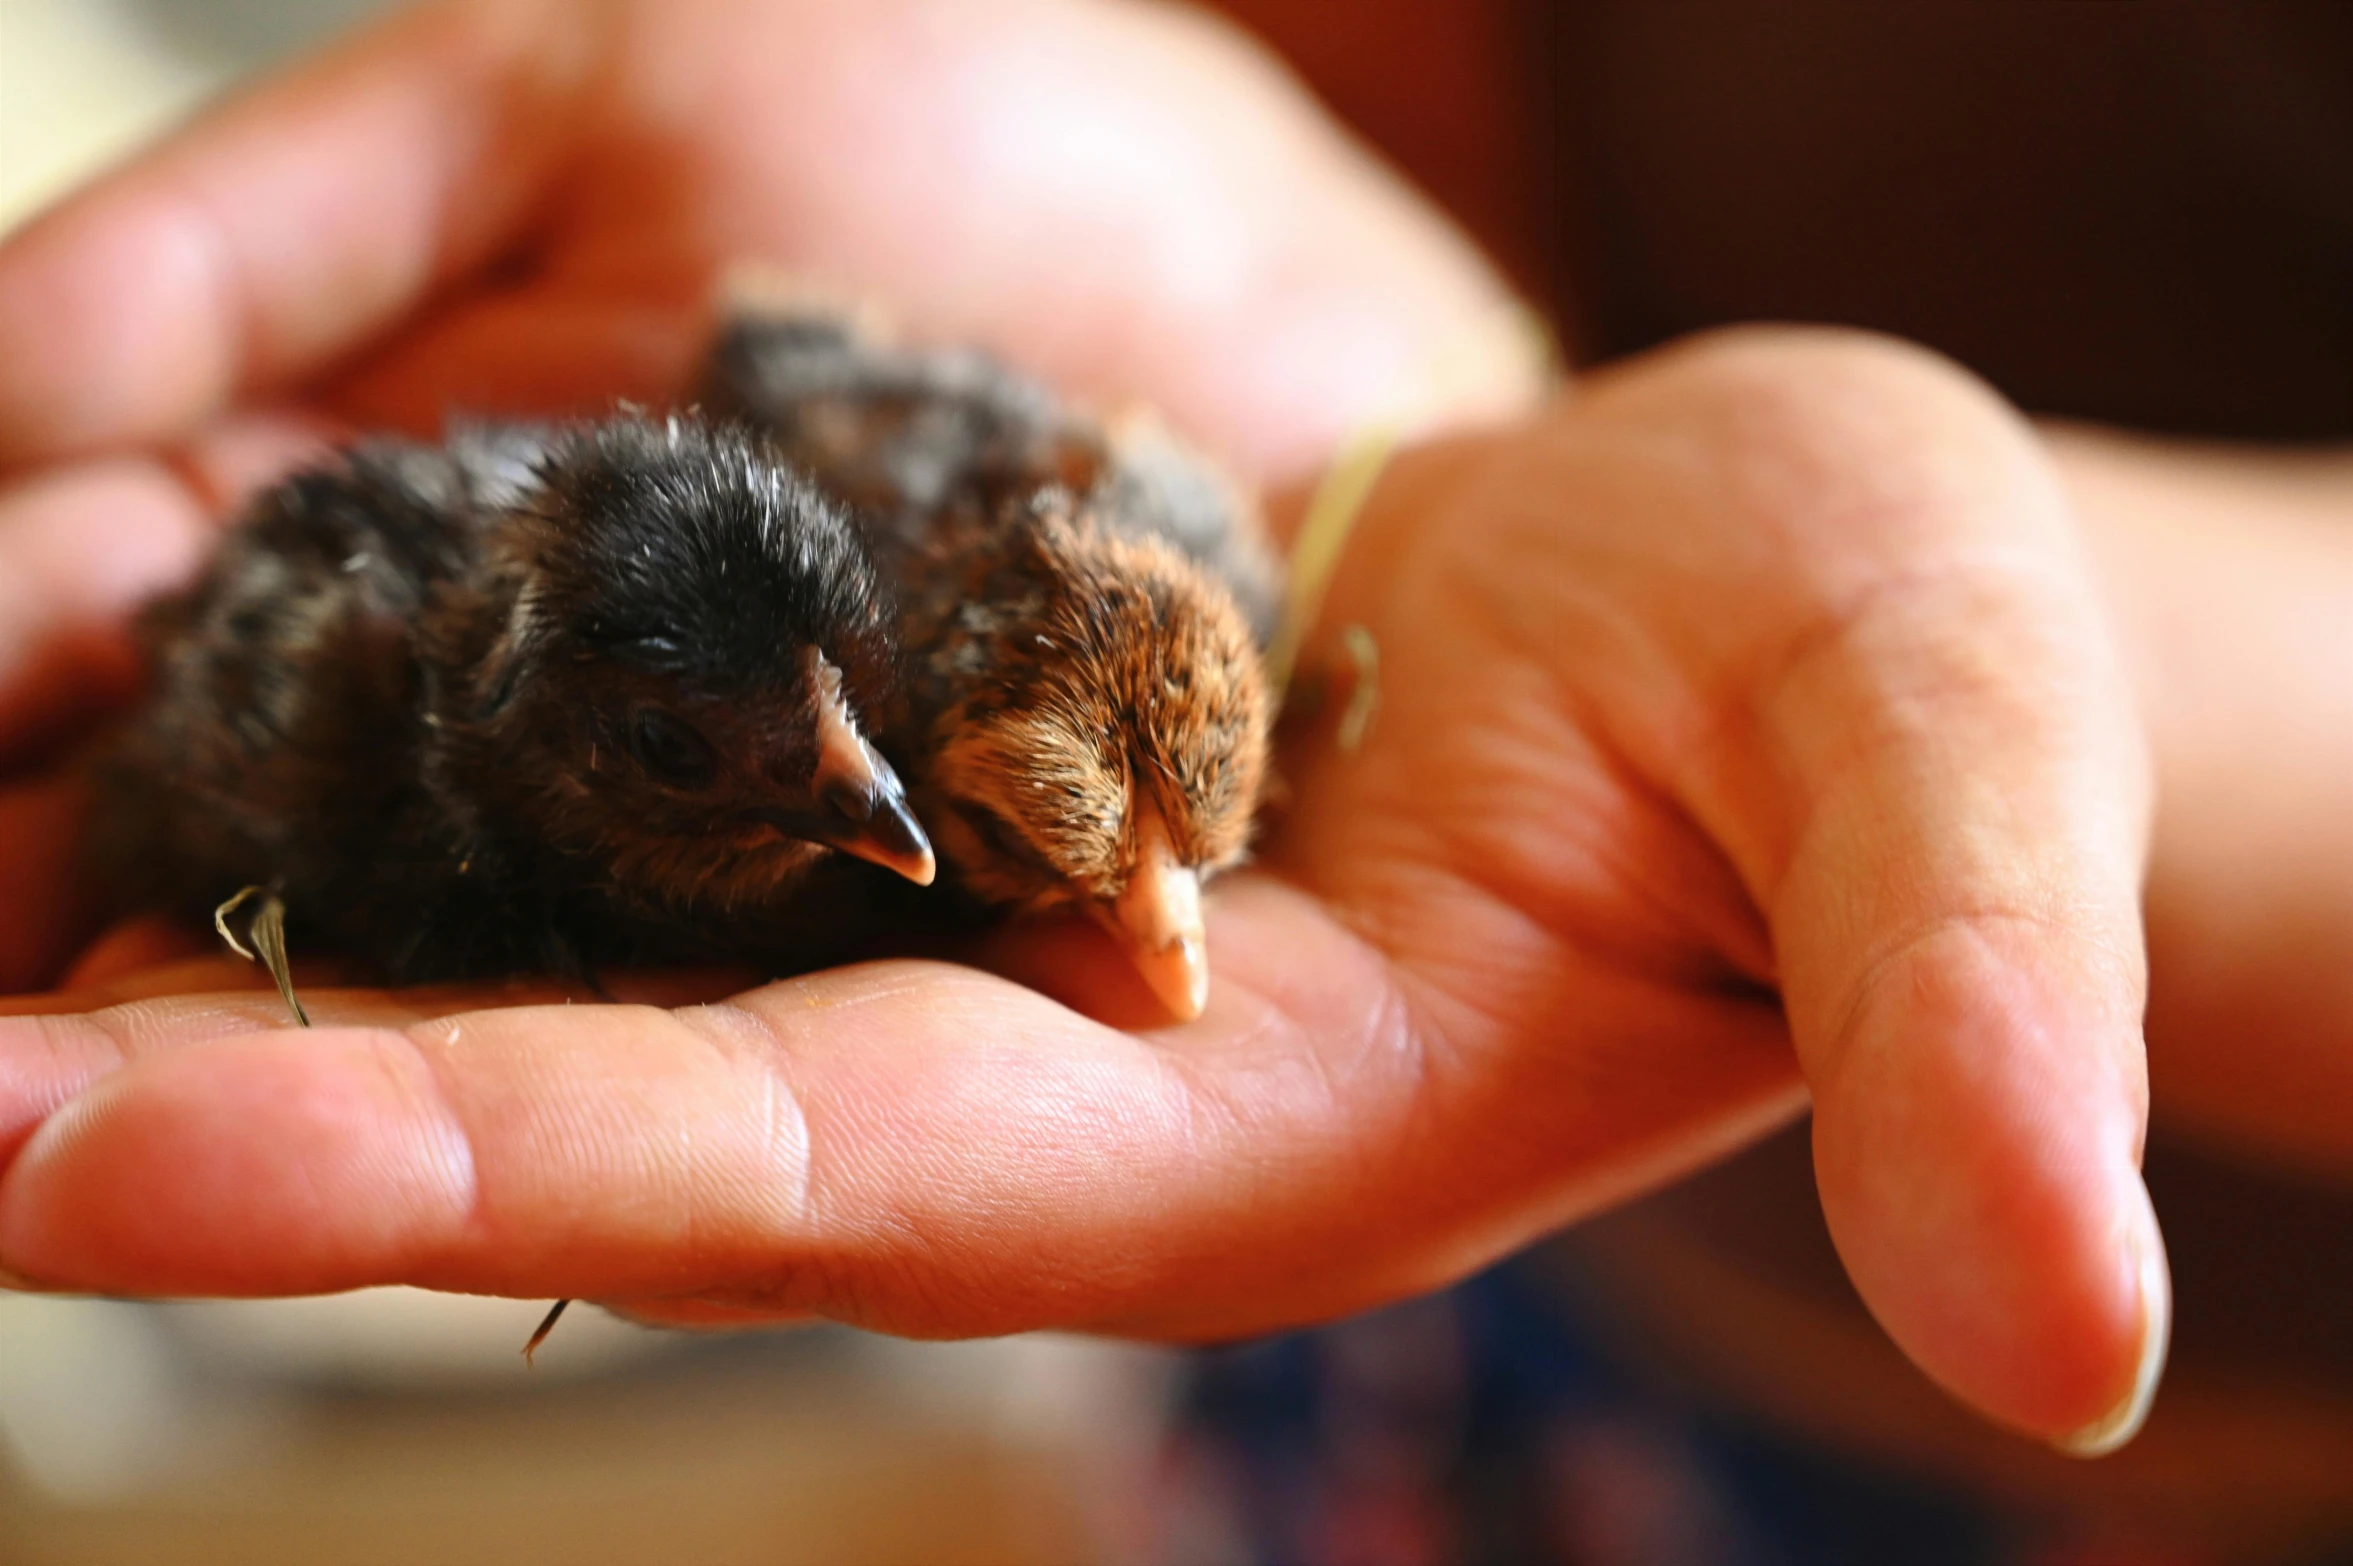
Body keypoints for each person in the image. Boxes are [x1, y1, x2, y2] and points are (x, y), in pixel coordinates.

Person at [0, 0, 2344, 1531]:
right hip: (1527, 1335)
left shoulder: (907, 692)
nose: (898, 822)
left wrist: (2096, 644)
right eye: (1010, 830)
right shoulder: (599, 722)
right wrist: (1365, 265)